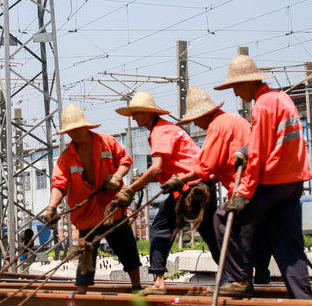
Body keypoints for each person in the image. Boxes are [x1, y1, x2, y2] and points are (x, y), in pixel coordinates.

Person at [213, 54, 312, 299]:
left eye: (236, 86)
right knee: (289, 245)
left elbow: (258, 155)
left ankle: (238, 281)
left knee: (224, 218)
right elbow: (271, 141)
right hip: (294, 182)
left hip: (273, 181)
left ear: (248, 82)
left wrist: (242, 192)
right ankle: (304, 301)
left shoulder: (263, 105)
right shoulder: (281, 98)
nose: (236, 93)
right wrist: (244, 150)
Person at [41, 105, 141, 294]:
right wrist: (51, 206)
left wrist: (117, 176)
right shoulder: (66, 158)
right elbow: (59, 184)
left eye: (76, 128)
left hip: (112, 210)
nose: (74, 133)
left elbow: (124, 161)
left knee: (127, 249)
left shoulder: (107, 142)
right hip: (86, 215)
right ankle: (81, 295)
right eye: (70, 130)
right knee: (85, 255)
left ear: (86, 127)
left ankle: (137, 286)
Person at [114, 92, 200, 295]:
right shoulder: (167, 129)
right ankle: (236, 278)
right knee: (210, 233)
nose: (134, 118)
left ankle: (159, 282)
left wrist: (131, 189)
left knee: (160, 229)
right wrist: (140, 182)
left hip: (190, 186)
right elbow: (160, 172)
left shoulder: (160, 131)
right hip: (194, 185)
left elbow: (157, 168)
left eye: (137, 114)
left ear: (149, 114)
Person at [169, 86, 251, 262]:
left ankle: (235, 279)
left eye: (195, 120)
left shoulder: (217, 126)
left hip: (244, 190)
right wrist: (213, 179)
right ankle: (260, 279)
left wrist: (179, 180)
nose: (196, 124)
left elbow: (205, 166)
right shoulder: (235, 120)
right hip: (256, 185)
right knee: (257, 235)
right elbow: (223, 163)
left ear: (203, 115)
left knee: (222, 226)